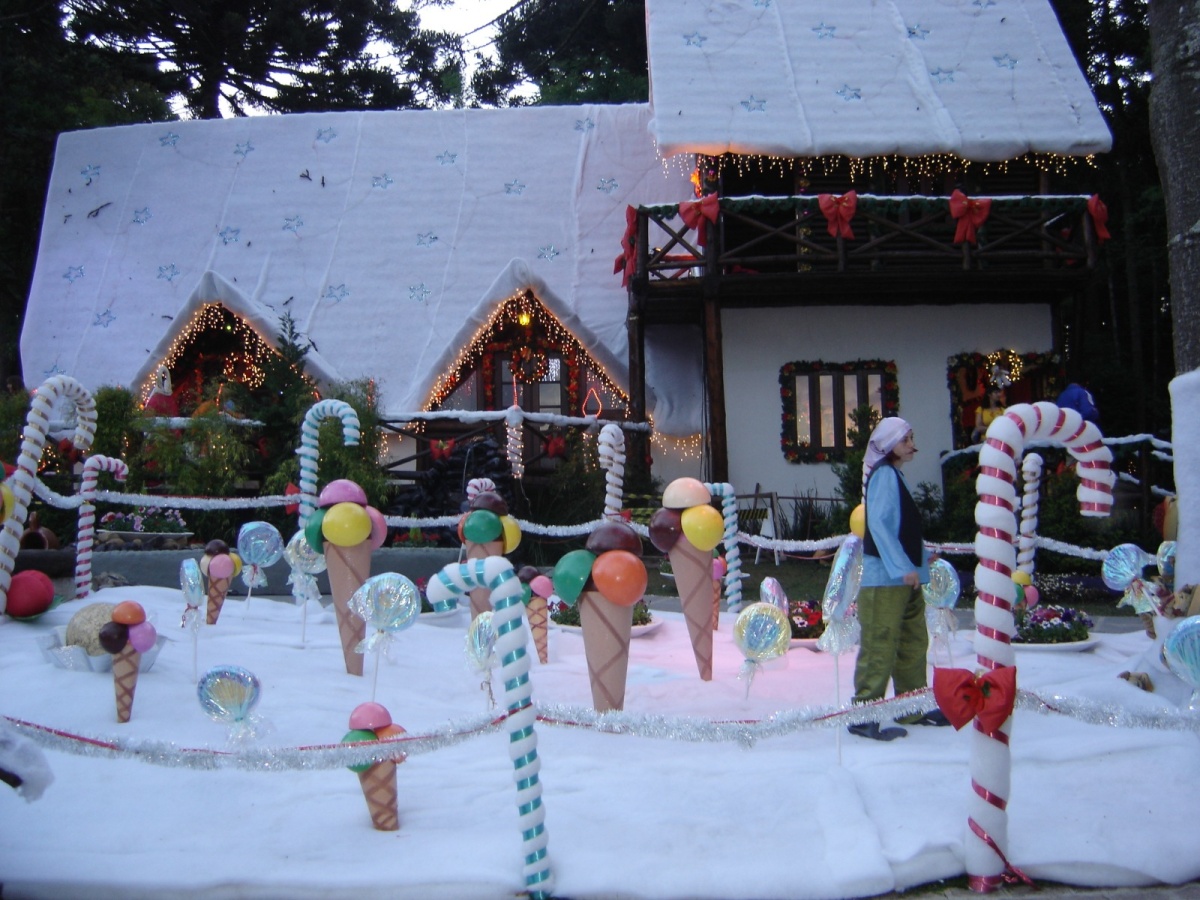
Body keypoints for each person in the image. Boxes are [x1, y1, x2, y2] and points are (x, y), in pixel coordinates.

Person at [849, 417, 949, 740]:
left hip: (903, 578)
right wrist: (902, 566)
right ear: (889, 444)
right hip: (885, 580)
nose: (912, 445)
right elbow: (879, 524)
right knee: (880, 643)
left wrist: (920, 557)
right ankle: (864, 715)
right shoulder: (884, 476)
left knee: (912, 642)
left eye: (911, 438)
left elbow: (900, 526)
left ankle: (911, 706)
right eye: (906, 439)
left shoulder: (894, 475)